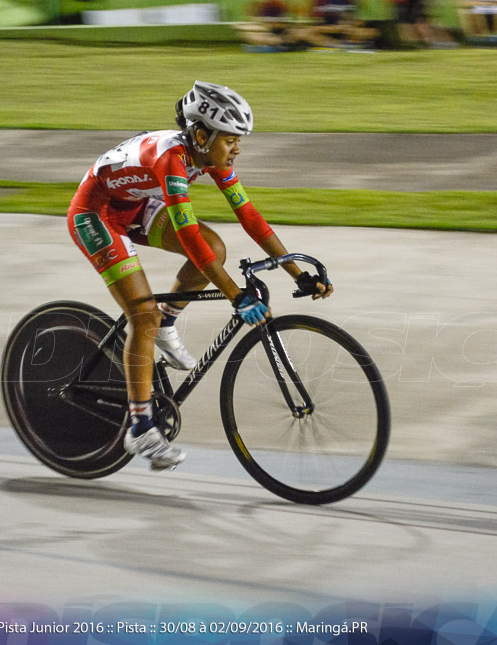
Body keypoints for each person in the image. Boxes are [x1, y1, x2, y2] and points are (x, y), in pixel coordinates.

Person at [67, 82, 332, 471]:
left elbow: (250, 218)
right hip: (96, 213)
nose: (237, 149)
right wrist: (236, 295)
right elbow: (189, 236)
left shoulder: (210, 157)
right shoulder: (172, 159)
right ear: (202, 135)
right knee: (143, 314)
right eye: (231, 140)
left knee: (217, 249)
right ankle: (140, 427)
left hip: (135, 205)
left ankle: (166, 322)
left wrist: (297, 273)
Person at [236, 0, 304, 52]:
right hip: (267, 33)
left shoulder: (277, 3)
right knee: (245, 32)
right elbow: (253, 23)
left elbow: (284, 24)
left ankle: (280, 45)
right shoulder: (253, 6)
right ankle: (274, 44)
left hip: (278, 34)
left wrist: (266, 25)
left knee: (295, 34)